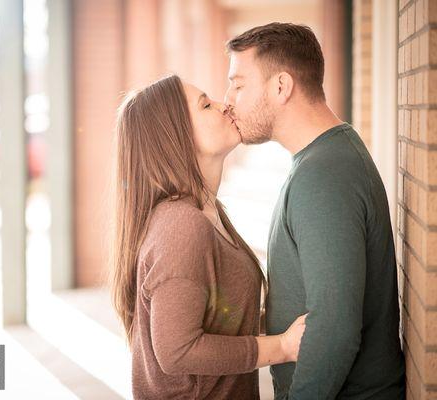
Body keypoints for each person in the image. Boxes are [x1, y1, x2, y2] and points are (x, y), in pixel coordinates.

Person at [224, 22, 406, 399]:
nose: (229, 99)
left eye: (239, 84)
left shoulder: (325, 175)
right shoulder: (323, 159)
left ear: (280, 87)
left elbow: (334, 329)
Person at [110, 74, 306, 400]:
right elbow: (177, 351)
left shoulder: (209, 213)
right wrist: (283, 347)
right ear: (177, 137)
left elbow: (223, 319)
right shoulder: (182, 226)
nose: (223, 104)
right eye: (206, 104)